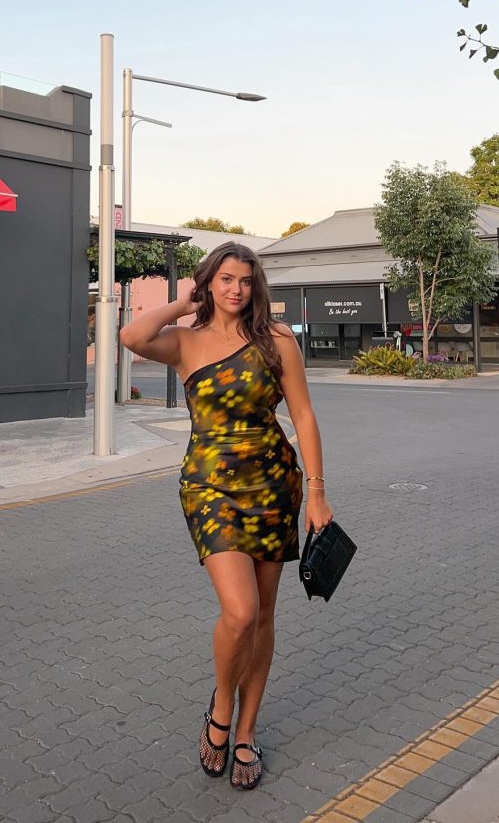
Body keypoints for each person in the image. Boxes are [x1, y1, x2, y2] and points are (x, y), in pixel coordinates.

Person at [120, 241, 333, 790]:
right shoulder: (186, 341)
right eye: (225, 279)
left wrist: (316, 492)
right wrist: (184, 303)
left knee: (263, 617)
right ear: (208, 283)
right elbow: (130, 337)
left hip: (273, 485)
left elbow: (304, 417)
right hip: (209, 487)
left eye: (244, 280)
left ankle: (246, 732)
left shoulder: (276, 340)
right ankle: (221, 708)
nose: (235, 289)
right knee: (239, 612)